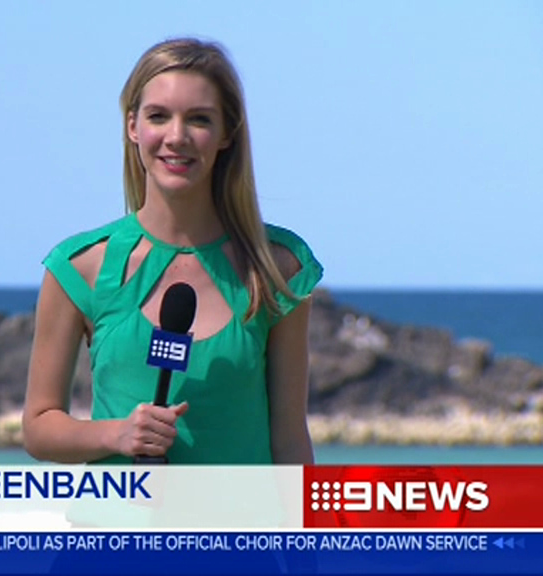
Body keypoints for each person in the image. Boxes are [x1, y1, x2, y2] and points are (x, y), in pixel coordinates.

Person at [22, 38, 323, 466]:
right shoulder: (80, 268)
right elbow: (38, 427)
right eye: (158, 116)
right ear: (133, 127)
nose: (176, 137)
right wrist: (117, 434)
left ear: (227, 133)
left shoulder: (277, 268)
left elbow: (290, 440)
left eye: (199, 119)